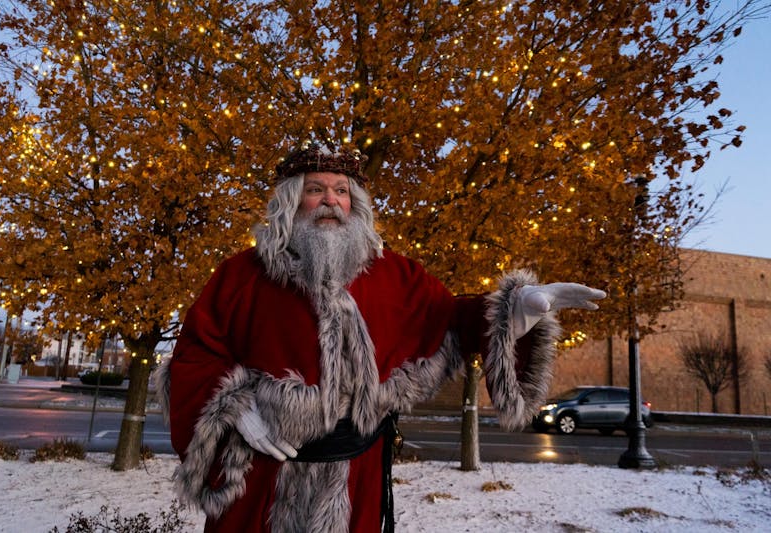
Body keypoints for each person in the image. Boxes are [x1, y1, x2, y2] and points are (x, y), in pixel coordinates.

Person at [156, 139, 606, 532]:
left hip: (356, 480)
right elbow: (196, 353)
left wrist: (518, 308)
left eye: (341, 191)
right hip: (260, 480)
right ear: (292, 201)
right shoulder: (242, 275)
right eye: (316, 190)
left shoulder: (393, 274)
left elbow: (450, 319)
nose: (330, 200)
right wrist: (233, 406)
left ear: (356, 205)